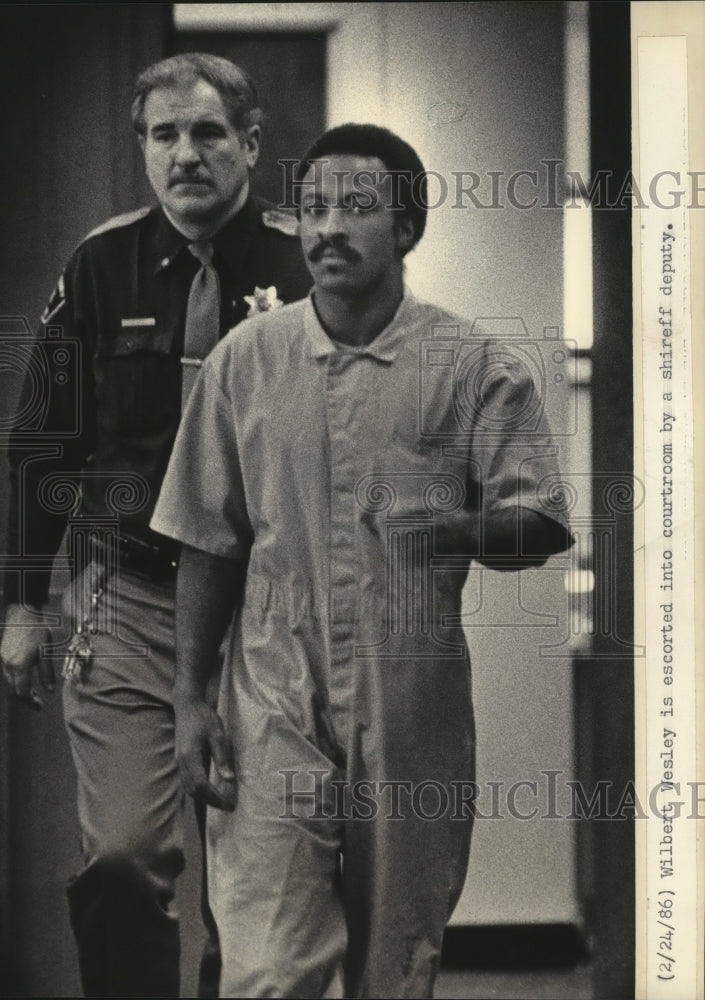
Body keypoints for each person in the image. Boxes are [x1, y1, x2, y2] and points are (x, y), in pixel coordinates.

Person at [151, 123, 573, 998]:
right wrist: (189, 698)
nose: (325, 229)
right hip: (270, 688)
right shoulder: (245, 361)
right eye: (310, 209)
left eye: (354, 208)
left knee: (394, 962)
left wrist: (454, 530)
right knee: (266, 967)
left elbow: (538, 520)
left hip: (408, 689)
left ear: (407, 228)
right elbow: (207, 536)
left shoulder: (473, 364)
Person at [0, 53, 311, 998]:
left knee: (251, 881)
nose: (186, 154)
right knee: (124, 862)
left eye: (208, 132)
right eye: (163, 135)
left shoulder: (304, 265)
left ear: (250, 144)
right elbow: (40, 449)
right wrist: (20, 604)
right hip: (131, 603)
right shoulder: (100, 265)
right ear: (141, 149)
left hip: (266, 616)